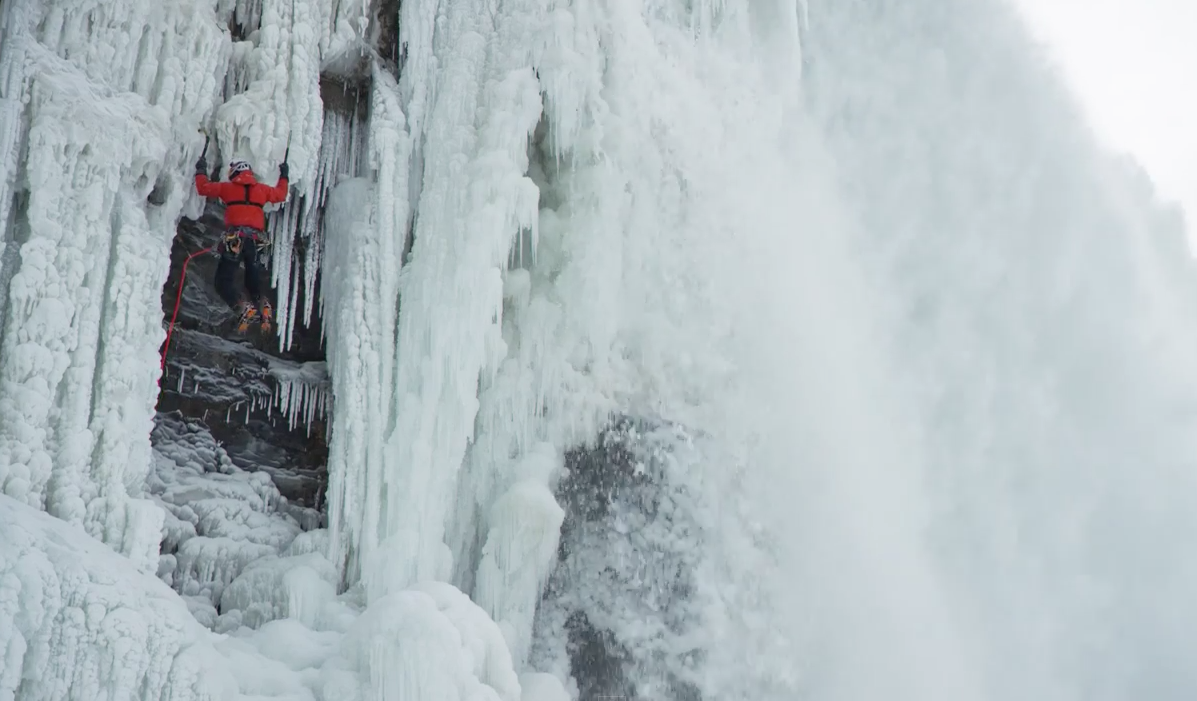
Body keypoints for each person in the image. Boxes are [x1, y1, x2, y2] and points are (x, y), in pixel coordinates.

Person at [194, 156, 289, 333]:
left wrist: (201, 169)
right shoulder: (262, 190)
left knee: (223, 281)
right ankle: (262, 305)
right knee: (252, 281)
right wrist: (284, 175)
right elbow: (281, 195)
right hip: (254, 241)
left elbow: (203, 188)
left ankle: (242, 307)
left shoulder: (227, 188)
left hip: (235, 240)